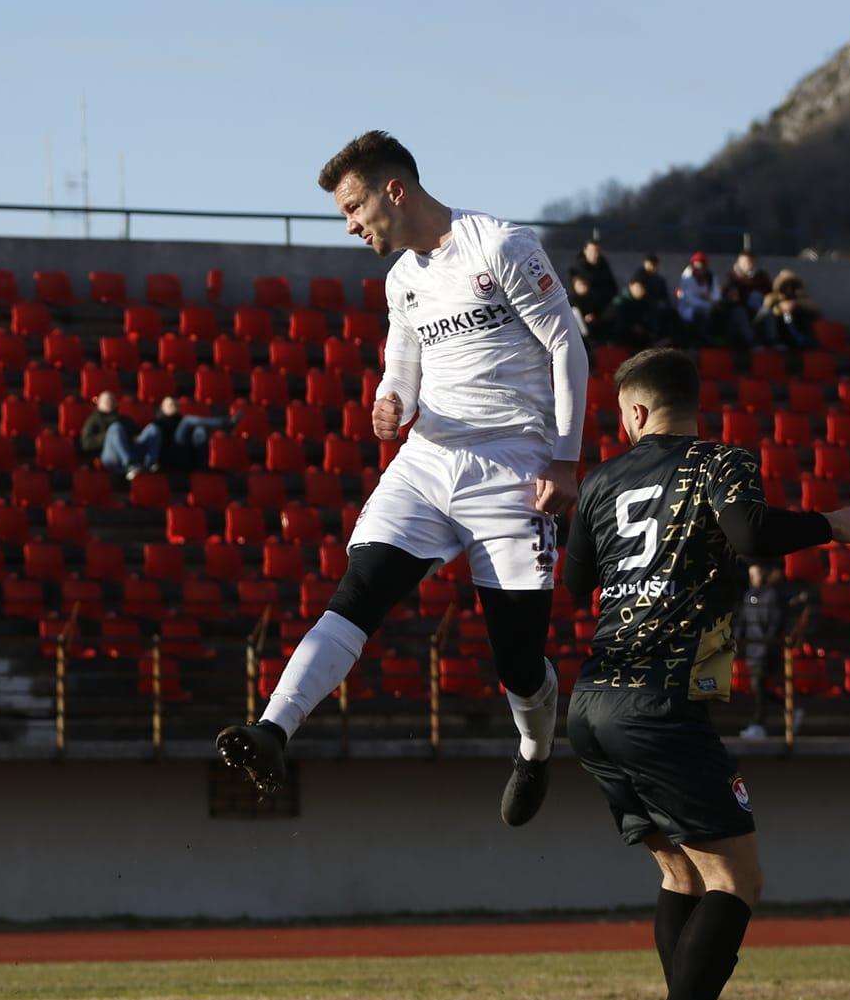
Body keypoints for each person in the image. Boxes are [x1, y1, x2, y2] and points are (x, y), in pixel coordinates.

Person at [216, 131, 588, 827]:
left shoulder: (500, 246)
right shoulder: (401, 280)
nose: (352, 226)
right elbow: (402, 373)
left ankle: (535, 748)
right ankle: (272, 729)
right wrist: (390, 407)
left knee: (517, 657)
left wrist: (564, 459)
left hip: (513, 467)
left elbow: (567, 343)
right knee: (358, 592)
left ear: (395, 189)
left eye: (354, 207)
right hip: (427, 461)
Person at [559, 346, 850, 1000]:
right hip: (661, 704)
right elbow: (751, 534)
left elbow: (574, 583)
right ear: (689, 404)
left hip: (593, 701)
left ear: (633, 412)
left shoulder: (601, 478)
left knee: (682, 874)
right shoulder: (719, 460)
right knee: (740, 877)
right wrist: (832, 522)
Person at [735, 564, 797, 741]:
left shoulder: (773, 595)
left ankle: (758, 724)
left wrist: (767, 643)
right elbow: (743, 620)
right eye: (752, 574)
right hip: (752, 649)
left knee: (759, 686)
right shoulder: (749, 596)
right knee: (758, 688)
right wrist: (737, 638)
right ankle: (789, 708)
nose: (754, 577)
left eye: (757, 573)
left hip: (766, 649)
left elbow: (776, 622)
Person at [139, 396, 233, 472]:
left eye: (175, 404)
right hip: (166, 457)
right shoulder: (157, 424)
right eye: (170, 404)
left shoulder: (181, 421)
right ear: (162, 407)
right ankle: (224, 423)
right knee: (188, 420)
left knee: (199, 430)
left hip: (183, 456)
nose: (173, 406)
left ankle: (202, 466)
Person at [79, 390, 148, 478]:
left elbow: (137, 436)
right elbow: (86, 444)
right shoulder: (93, 420)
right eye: (106, 401)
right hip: (108, 457)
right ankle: (130, 464)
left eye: (111, 400)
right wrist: (108, 435)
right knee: (115, 428)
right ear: (99, 403)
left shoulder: (125, 420)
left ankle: (150, 464)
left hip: (129, 451)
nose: (109, 403)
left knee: (152, 430)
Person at [599, 277, 680, 351]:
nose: (640, 291)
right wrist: (632, 327)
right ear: (631, 287)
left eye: (642, 288)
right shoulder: (620, 303)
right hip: (622, 338)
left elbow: (651, 316)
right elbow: (617, 323)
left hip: (642, 333)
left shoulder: (645, 300)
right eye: (638, 288)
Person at [754, 270, 818, 350]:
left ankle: (801, 338)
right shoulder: (773, 297)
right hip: (781, 328)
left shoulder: (799, 298)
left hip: (799, 325)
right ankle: (795, 337)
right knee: (787, 315)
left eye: (791, 284)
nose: (788, 287)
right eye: (786, 284)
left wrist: (794, 304)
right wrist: (780, 308)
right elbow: (766, 308)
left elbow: (813, 306)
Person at [674, 253, 718, 341]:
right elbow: (690, 300)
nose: (699, 269)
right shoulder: (687, 278)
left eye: (702, 266)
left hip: (707, 308)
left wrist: (710, 298)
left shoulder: (710, 277)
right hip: (689, 310)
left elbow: (717, 295)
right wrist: (707, 302)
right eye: (696, 266)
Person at [579, 239, 619, 310]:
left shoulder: (603, 265)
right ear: (585, 251)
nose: (594, 254)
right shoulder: (578, 268)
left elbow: (612, 286)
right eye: (591, 251)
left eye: (596, 251)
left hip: (604, 304)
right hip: (586, 306)